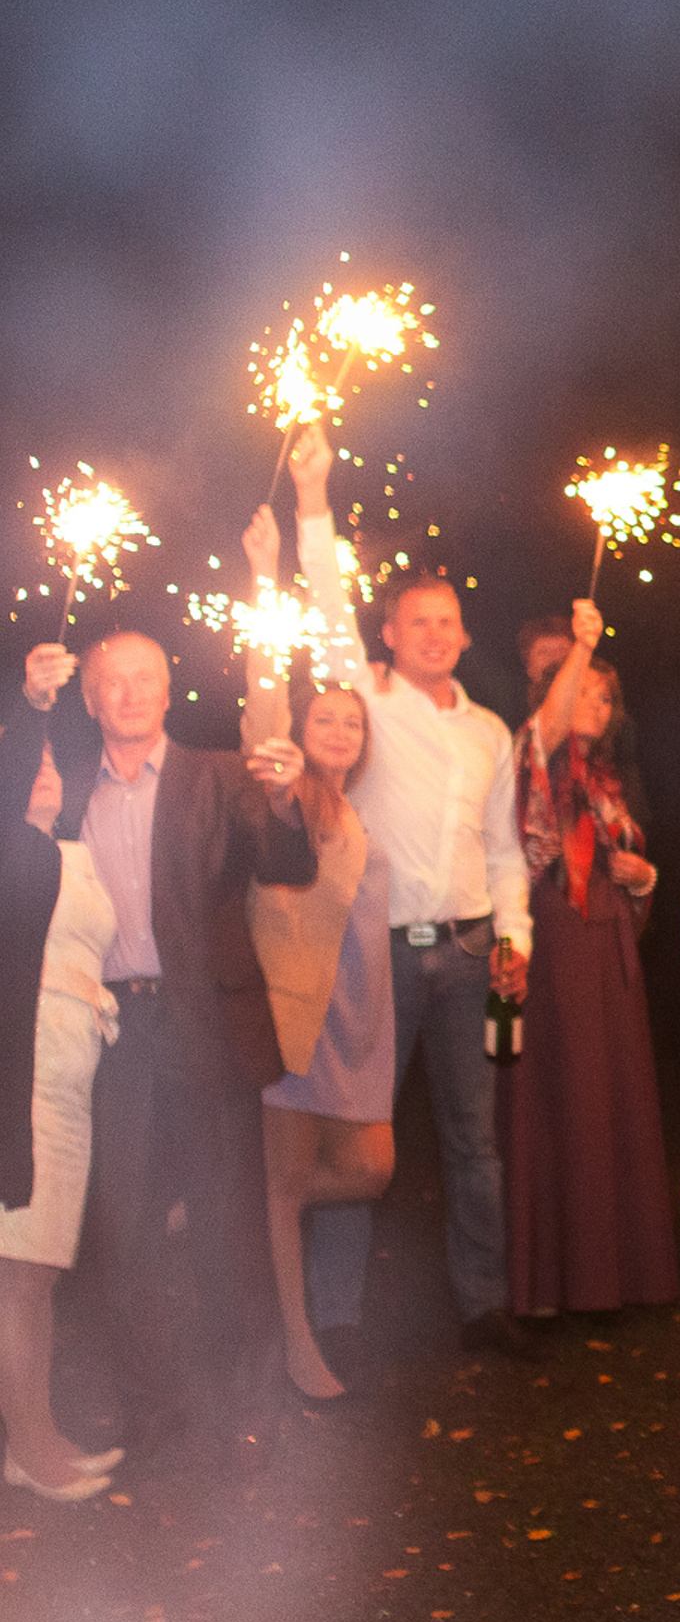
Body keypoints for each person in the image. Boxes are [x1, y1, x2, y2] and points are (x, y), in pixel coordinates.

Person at [294, 433, 535, 1359]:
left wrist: (515, 937)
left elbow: (505, 849)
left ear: (465, 635)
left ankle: (485, 1307)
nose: (435, 634)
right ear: (389, 635)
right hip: (378, 954)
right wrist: (314, 495)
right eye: (417, 622)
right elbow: (326, 604)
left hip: (472, 955)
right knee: (359, 1135)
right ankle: (338, 1317)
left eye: (449, 622)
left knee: (475, 1141)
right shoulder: (369, 701)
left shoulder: (489, 732)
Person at [65, 627, 314, 1458]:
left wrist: (287, 798)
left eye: (146, 678)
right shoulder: (69, 790)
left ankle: (250, 1406)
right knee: (122, 1230)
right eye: (113, 681)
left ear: (169, 692)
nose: (131, 692)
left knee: (228, 1223)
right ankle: (157, 1411)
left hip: (205, 1024)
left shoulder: (222, 775)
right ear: (91, 699)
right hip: (115, 1031)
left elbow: (287, 863)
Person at [237, 501, 395, 1404]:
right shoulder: (290, 794)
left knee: (370, 1169)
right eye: (324, 719)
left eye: (352, 724)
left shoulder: (358, 812)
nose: (339, 731)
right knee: (287, 1178)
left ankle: (242, 1199)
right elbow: (266, 713)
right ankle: (298, 1344)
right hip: (296, 1017)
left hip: (357, 1023)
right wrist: (267, 577)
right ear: (301, 732)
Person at [506, 600, 678, 1316]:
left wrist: (645, 879)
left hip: (607, 946)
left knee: (613, 1098)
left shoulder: (609, 780)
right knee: (561, 1095)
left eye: (606, 697)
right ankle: (551, 1283)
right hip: (552, 942)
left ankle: (615, 1278)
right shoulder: (533, 759)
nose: (596, 706)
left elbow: (628, 868)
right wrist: (581, 646)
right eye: (583, 691)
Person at [0, 646, 120, 1500]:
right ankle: (29, 1446)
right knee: (20, 1268)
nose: (44, 766)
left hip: (75, 1072)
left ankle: (34, 1432)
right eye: (27, 756)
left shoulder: (70, 851)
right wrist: (34, 704)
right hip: (27, 1068)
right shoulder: (12, 855)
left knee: (40, 1270)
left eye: (49, 755)